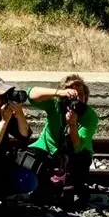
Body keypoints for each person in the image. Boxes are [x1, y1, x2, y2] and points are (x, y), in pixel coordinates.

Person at [25, 75, 98, 206]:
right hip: (48, 148)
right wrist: (59, 93)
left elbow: (77, 146)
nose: (76, 98)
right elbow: (30, 94)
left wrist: (73, 124)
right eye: (72, 95)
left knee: (80, 160)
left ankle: (71, 184)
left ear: (86, 96)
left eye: (80, 94)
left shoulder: (90, 116)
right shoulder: (55, 105)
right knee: (28, 158)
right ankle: (45, 185)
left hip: (75, 155)